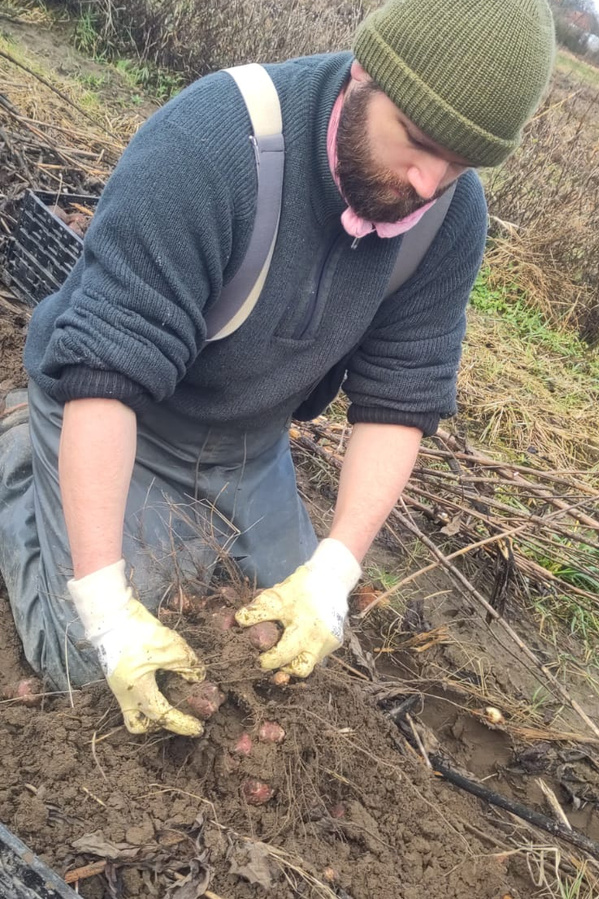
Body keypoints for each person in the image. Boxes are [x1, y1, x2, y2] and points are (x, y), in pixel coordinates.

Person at [0, 0, 555, 737]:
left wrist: (334, 573)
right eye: (418, 142)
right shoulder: (214, 143)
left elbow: (399, 401)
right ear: (364, 75)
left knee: (285, 649)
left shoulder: (449, 216)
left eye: (459, 163)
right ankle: (17, 456)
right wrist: (105, 609)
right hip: (120, 407)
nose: (429, 182)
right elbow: (107, 372)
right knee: (90, 665)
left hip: (249, 442)